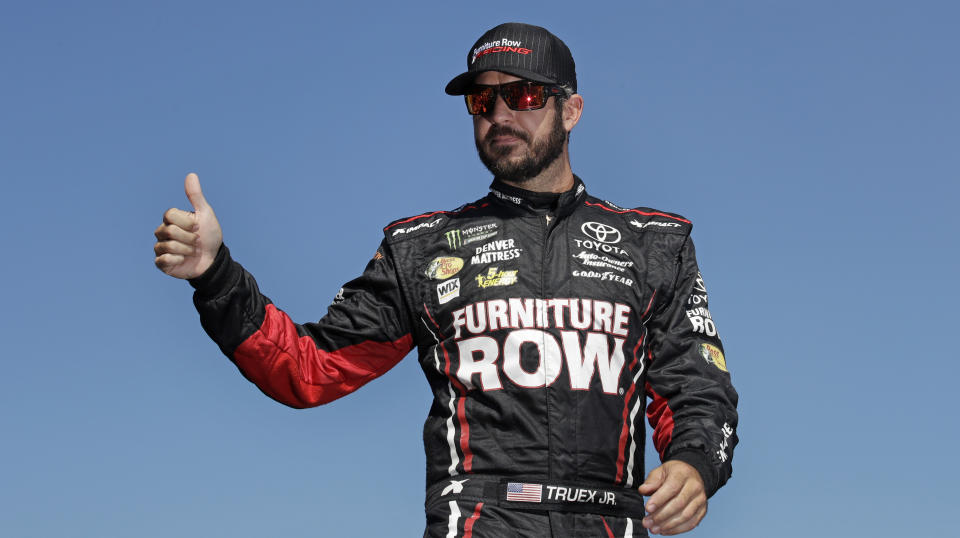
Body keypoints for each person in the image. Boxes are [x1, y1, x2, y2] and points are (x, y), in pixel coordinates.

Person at [154, 22, 738, 537]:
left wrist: (693, 464)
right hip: (478, 523)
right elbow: (308, 368)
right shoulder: (422, 250)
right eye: (482, 102)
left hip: (612, 520)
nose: (500, 115)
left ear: (572, 109)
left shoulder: (654, 244)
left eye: (523, 95)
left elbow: (698, 391)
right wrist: (215, 274)